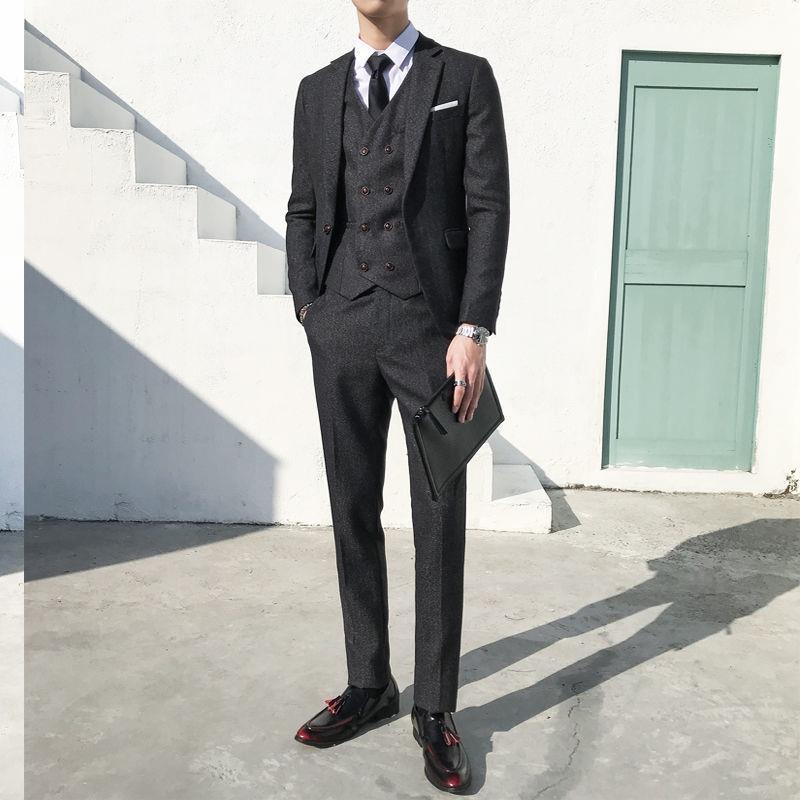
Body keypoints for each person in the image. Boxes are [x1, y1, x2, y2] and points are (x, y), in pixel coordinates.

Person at [285, 0, 509, 791]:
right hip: (341, 326)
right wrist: (310, 309)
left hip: (430, 332)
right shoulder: (317, 92)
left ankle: (435, 706)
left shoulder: (465, 78)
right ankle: (369, 683)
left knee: (438, 516)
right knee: (351, 506)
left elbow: (487, 207)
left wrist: (473, 327)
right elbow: (304, 207)